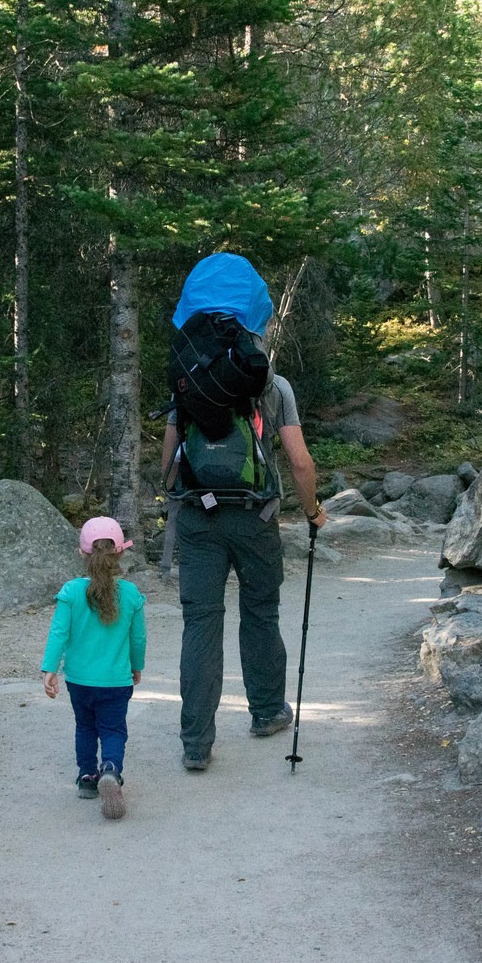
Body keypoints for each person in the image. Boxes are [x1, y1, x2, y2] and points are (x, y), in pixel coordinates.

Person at [160, 253, 327, 772]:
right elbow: (299, 462)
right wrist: (314, 511)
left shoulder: (187, 378)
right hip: (255, 518)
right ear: (255, 318)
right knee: (260, 612)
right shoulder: (272, 385)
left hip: (198, 517)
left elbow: (168, 460)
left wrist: (176, 500)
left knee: (200, 624)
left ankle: (195, 743)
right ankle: (264, 712)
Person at [41, 516, 147, 819]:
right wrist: (136, 666)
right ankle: (110, 769)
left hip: (79, 680)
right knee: (113, 729)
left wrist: (50, 669)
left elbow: (58, 632)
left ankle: (87, 778)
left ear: (82, 553)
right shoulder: (129, 593)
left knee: (85, 727)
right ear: (120, 553)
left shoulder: (71, 591)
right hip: (116, 680)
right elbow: (137, 637)